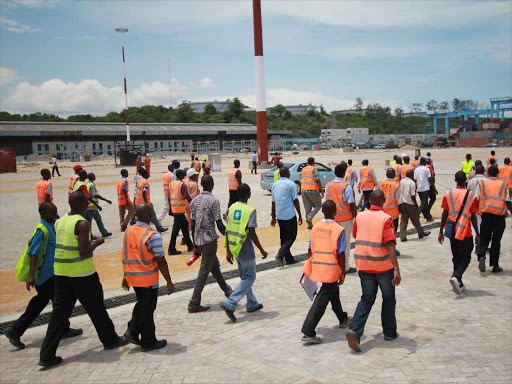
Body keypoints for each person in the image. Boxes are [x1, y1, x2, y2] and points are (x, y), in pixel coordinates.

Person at [39, 192, 129, 367]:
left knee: (58, 315)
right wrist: (97, 243)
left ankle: (47, 354)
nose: (88, 204)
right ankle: (110, 340)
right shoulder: (82, 223)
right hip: (82, 274)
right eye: (86, 202)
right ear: (81, 203)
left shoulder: (60, 221)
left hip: (61, 273)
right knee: (96, 308)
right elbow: (84, 252)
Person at [6, 203, 82, 350]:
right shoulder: (41, 230)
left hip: (52, 272)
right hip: (45, 275)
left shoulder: (50, 226)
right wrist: (31, 276)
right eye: (52, 213)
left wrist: (56, 219)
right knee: (53, 302)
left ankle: (63, 328)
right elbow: (33, 253)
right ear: (43, 214)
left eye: (56, 212)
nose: (56, 215)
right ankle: (15, 330)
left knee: (53, 302)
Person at [346, 190, 401, 353]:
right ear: (383, 201)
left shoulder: (360, 216)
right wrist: (396, 268)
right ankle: (390, 332)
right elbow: (390, 245)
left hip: (363, 264)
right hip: (382, 266)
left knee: (367, 298)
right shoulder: (386, 219)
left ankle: (355, 330)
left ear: (369, 200)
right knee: (389, 298)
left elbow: (356, 234)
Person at [121, 203, 174, 352]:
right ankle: (148, 341)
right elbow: (161, 261)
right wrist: (169, 281)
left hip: (133, 278)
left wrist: (125, 276)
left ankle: (132, 331)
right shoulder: (153, 235)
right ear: (150, 215)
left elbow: (126, 255)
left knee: (143, 306)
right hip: (147, 279)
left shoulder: (128, 232)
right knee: (148, 309)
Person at [300, 200, 351, 344]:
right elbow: (341, 253)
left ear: (322, 211)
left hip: (318, 266)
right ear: (335, 212)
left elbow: (310, 249)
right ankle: (308, 331)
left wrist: (311, 264)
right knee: (323, 297)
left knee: (333, 293)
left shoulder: (316, 227)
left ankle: (342, 318)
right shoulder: (338, 229)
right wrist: (343, 271)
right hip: (331, 269)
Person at [220, 184, 267, 322]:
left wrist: (228, 251)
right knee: (249, 278)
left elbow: (227, 230)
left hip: (235, 249)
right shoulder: (250, 210)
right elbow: (252, 233)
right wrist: (262, 249)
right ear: (248, 194)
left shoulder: (232, 207)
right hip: (245, 250)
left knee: (245, 277)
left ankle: (252, 303)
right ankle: (230, 303)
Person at [189, 175, 233, 313]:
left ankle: (227, 291)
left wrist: (195, 245)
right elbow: (219, 223)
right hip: (209, 240)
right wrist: (229, 234)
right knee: (204, 271)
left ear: (201, 185)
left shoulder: (194, 201)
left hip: (199, 240)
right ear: (212, 185)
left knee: (214, 267)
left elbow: (193, 224)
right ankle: (194, 302)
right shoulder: (214, 201)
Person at [438, 171, 480, 295]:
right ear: (465, 180)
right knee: (466, 257)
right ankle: (456, 276)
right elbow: (472, 216)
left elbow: (444, 213)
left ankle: (458, 281)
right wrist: (477, 233)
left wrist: (441, 231)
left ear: (455, 179)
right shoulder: (471, 195)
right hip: (464, 230)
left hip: (451, 229)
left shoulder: (448, 193)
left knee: (456, 256)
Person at [474, 165, 512, 273]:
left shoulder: (482, 184)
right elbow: (508, 201)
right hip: (499, 216)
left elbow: (476, 199)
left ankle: (481, 256)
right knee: (496, 241)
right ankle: (495, 266)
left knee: (484, 238)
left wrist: (475, 212)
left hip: (485, 215)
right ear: (497, 174)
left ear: (488, 174)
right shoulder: (503, 185)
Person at [325, 163, 358, 273]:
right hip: (345, 219)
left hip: (332, 219)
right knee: (346, 243)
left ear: (334, 173)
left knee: (333, 242)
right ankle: (345, 266)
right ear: (344, 173)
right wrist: (355, 217)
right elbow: (351, 204)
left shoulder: (328, 185)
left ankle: (333, 264)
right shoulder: (346, 186)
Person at [271, 167, 303, 267]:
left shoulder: (275, 185)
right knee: (292, 236)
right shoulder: (291, 184)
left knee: (284, 237)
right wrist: (300, 215)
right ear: (287, 173)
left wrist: (273, 217)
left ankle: (289, 258)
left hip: (280, 215)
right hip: (289, 215)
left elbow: (273, 202)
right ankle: (280, 254)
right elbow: (295, 200)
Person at [399, 169, 430, 242]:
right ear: (412, 175)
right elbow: (413, 196)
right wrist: (416, 204)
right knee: (416, 220)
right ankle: (421, 233)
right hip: (410, 204)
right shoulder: (412, 183)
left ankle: (402, 237)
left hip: (403, 204)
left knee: (403, 221)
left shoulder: (402, 181)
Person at [168, 169, 193, 255]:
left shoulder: (171, 184)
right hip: (179, 209)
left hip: (175, 209)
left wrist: (170, 209)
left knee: (185, 227)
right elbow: (187, 196)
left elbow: (169, 197)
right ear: (182, 175)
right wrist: (195, 202)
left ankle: (190, 245)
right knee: (175, 231)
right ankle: (171, 248)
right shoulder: (182, 185)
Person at [377, 168, 402, 256]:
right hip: (392, 214)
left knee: (381, 232)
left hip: (381, 212)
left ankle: (381, 249)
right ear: (394, 175)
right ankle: (392, 250)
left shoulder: (380, 184)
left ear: (386, 174)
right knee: (392, 234)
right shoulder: (396, 185)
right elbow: (399, 201)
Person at [134, 169, 167, 233]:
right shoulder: (145, 182)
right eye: (148, 174)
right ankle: (159, 228)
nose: (149, 175)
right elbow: (144, 192)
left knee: (140, 217)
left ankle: (139, 229)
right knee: (152, 216)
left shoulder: (139, 181)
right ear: (145, 175)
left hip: (138, 202)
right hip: (145, 203)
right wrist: (146, 202)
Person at [86, 173, 112, 238]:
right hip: (92, 206)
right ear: (91, 177)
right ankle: (89, 236)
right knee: (89, 221)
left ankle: (104, 232)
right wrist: (106, 200)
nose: (95, 176)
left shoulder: (87, 184)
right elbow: (96, 195)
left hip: (92, 206)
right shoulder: (91, 185)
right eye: (94, 176)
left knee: (98, 219)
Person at [301, 157, 324, 229]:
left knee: (307, 207)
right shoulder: (313, 169)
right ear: (313, 162)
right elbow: (317, 180)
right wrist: (322, 190)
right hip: (312, 189)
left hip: (303, 190)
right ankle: (310, 217)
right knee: (319, 205)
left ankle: (309, 224)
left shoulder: (303, 169)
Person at [467, 165, 486, 246]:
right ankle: (484, 244)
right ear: (484, 172)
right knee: (485, 226)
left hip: (474, 206)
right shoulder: (487, 181)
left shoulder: (471, 182)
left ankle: (476, 244)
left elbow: (468, 194)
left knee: (475, 226)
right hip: (485, 206)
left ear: (476, 172)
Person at [414, 157, 436, 222]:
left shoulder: (416, 169)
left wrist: (414, 189)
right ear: (424, 162)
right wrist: (434, 189)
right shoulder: (426, 169)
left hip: (419, 188)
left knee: (424, 203)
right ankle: (416, 215)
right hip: (425, 188)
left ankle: (428, 217)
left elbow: (415, 180)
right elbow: (430, 179)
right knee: (424, 204)